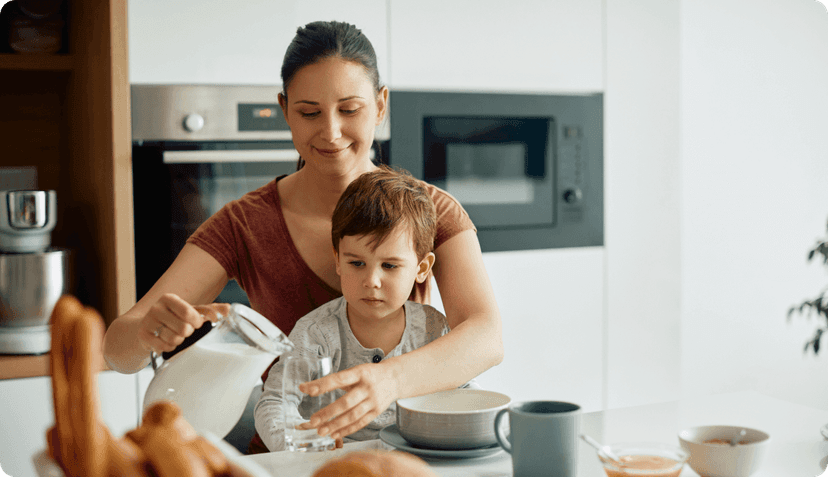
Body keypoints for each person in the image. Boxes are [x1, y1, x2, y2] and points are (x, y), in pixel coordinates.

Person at [103, 20, 502, 453]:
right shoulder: (242, 224)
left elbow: (486, 336)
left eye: (350, 110)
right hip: (290, 459)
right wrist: (148, 333)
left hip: (398, 457)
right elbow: (117, 351)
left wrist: (388, 379)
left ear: (381, 105)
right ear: (284, 109)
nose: (330, 132)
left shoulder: (432, 209)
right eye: (309, 112)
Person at [256, 167, 476, 451]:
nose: (371, 281)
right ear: (338, 260)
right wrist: (304, 443)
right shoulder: (314, 333)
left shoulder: (434, 328)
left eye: (389, 266)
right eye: (356, 263)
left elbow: (465, 395)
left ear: (421, 269)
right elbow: (274, 402)